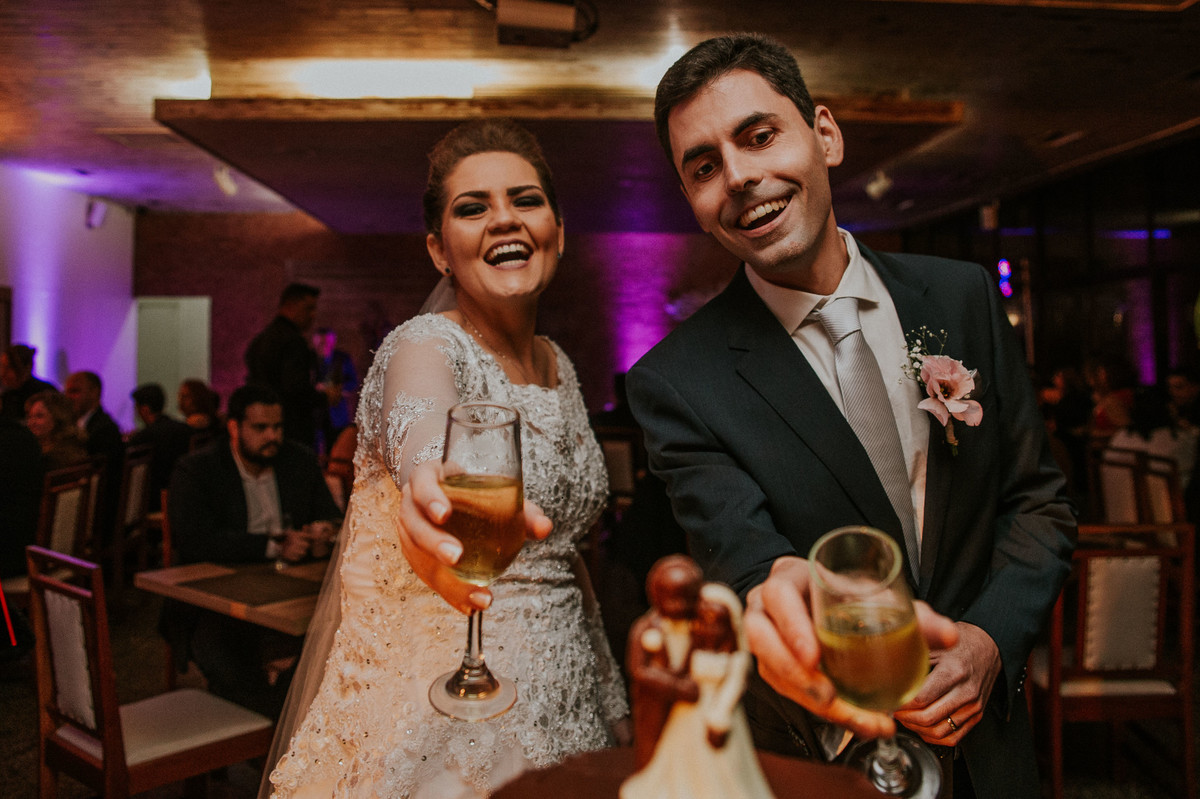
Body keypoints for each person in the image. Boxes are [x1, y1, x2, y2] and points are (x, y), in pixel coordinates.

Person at [625, 34, 1076, 799]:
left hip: (991, 751)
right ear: (694, 202)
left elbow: (1037, 502)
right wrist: (779, 594)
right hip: (822, 759)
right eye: (703, 167)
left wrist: (990, 641)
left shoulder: (962, 297)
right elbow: (744, 556)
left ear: (824, 135)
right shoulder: (677, 381)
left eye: (760, 135)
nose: (739, 177)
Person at [268, 118, 628, 799]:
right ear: (439, 250)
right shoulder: (422, 347)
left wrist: (609, 695)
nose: (503, 219)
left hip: (571, 694)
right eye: (473, 207)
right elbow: (426, 441)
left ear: (558, 228)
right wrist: (433, 491)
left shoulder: (563, 368)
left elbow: (567, 558)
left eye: (525, 200)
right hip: (451, 708)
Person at [163, 383, 342, 719]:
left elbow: (333, 516)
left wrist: (325, 531)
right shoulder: (198, 470)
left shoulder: (298, 461)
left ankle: (269, 730)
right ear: (234, 427)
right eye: (260, 428)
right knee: (227, 655)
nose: (272, 436)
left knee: (331, 643)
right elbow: (196, 541)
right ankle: (269, 738)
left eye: (277, 427)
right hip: (216, 603)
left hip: (291, 596)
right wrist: (271, 546)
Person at [622, 572, 773, 799]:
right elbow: (660, 671)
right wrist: (679, 687)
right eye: (703, 621)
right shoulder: (666, 634)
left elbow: (733, 687)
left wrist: (719, 717)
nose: (709, 629)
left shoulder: (734, 659)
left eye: (717, 623)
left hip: (716, 716)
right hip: (686, 716)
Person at [244, 282, 324, 450]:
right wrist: (324, 397)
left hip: (263, 426)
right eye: (308, 308)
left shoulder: (261, 340)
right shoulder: (293, 341)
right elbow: (295, 389)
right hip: (290, 430)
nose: (313, 315)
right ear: (290, 305)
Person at [64, 370, 125, 545]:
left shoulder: (103, 431)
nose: (69, 397)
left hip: (100, 514)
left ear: (94, 392)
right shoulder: (84, 425)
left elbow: (100, 482)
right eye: (67, 392)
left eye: (75, 391)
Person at [128, 383, 194, 512]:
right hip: (185, 495)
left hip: (153, 502)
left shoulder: (142, 438)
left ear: (144, 409)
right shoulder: (186, 430)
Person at [311, 326, 358, 454]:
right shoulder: (309, 360)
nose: (324, 347)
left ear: (333, 343)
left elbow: (353, 383)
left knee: (336, 449)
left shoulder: (342, 359)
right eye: (320, 343)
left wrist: (335, 389)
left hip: (336, 414)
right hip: (315, 414)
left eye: (326, 343)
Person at [25, 391, 89, 470]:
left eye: (39, 416)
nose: (31, 422)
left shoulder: (62, 455)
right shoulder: (32, 449)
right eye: (30, 417)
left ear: (57, 418)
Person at [0, 344, 57, 422]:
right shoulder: (6, 397)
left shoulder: (46, 393)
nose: (2, 373)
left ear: (27, 367)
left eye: (9, 368)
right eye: (2, 367)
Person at [177, 378, 223, 444]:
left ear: (198, 398)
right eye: (180, 395)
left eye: (185, 396)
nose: (180, 400)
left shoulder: (196, 424)